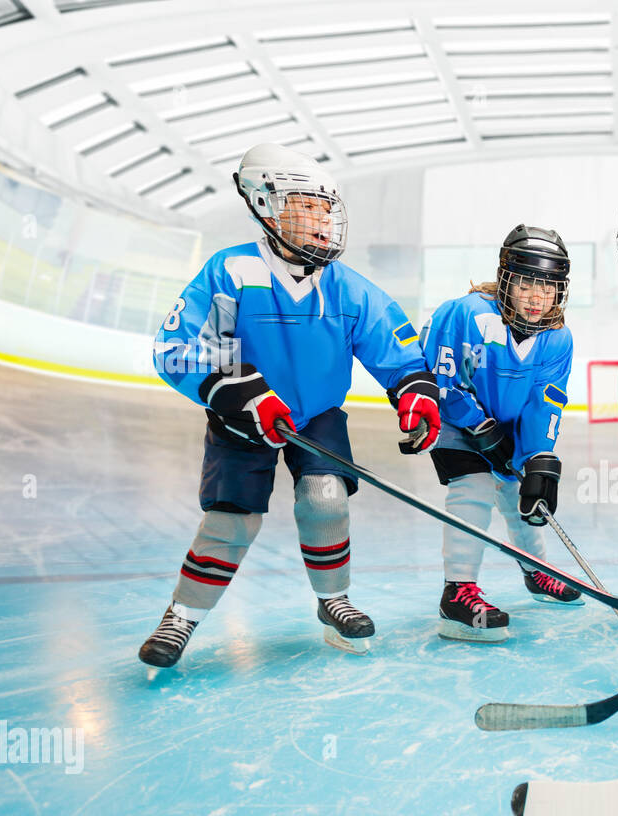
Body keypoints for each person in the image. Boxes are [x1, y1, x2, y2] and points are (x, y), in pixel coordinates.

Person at [139, 142, 440, 670]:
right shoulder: (229, 271)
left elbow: (396, 349)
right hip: (241, 416)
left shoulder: (348, 287)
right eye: (306, 205)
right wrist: (239, 391)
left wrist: (414, 393)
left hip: (317, 414)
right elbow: (176, 350)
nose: (322, 220)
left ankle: (334, 599)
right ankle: (182, 615)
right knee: (230, 522)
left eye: (326, 207)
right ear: (263, 203)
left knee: (326, 498)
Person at [417, 224, 581, 642]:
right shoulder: (465, 313)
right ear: (506, 278)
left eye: (548, 286)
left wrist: (539, 456)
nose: (536, 296)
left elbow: (546, 400)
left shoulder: (557, 338)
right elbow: (441, 379)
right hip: (457, 422)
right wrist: (480, 427)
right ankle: (457, 592)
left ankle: (536, 571)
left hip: (506, 427)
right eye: (526, 283)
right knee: (472, 489)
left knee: (521, 496)